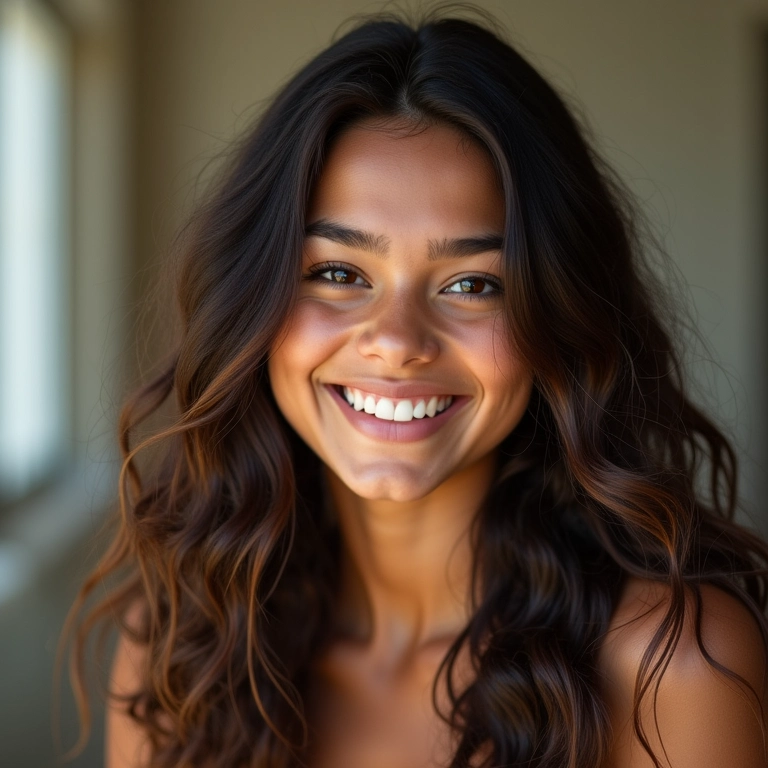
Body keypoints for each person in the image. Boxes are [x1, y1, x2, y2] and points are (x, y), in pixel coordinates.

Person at [64, 7, 768, 768]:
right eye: (337, 273)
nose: (397, 342)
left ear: (558, 318)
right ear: (252, 301)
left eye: (472, 284)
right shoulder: (177, 652)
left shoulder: (674, 666)